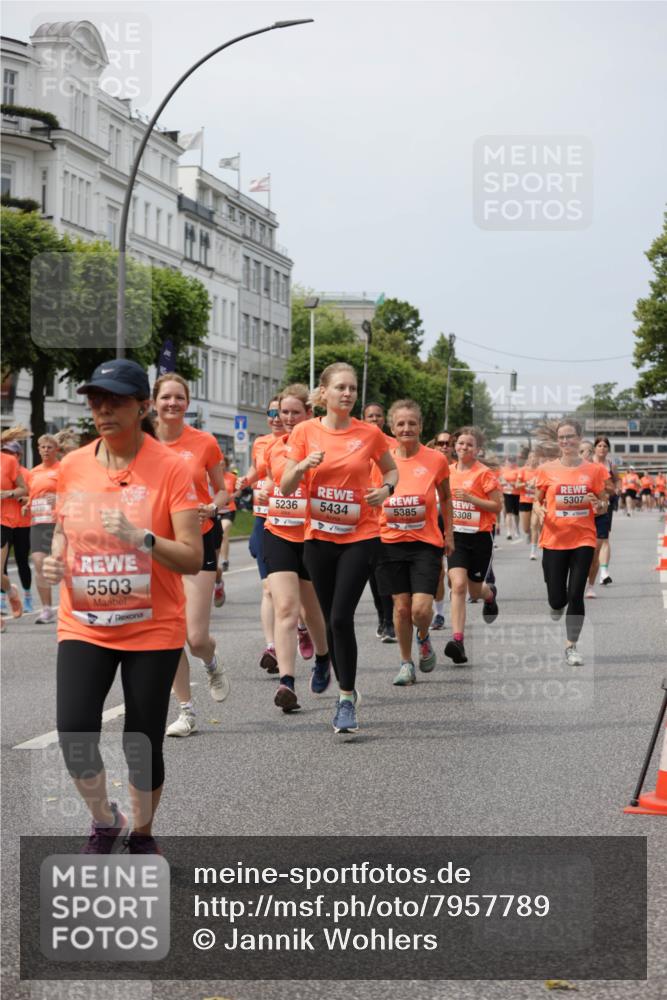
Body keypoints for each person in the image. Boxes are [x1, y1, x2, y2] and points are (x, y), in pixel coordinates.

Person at [42, 359, 202, 853]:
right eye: (96, 401)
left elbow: (192, 557)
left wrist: (142, 538)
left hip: (152, 627)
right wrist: (56, 559)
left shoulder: (171, 468)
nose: (103, 410)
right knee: (74, 733)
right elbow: (63, 528)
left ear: (142, 406)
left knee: (142, 741)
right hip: (84, 623)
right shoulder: (73, 465)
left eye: (115, 401)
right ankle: (105, 819)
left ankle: (143, 835)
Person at [281, 363, 398, 734]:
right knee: (331, 617)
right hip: (318, 539)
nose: (347, 394)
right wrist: (302, 465)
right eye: (340, 387)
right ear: (324, 392)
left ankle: (346, 698)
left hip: (360, 535)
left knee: (341, 617)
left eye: (352, 388)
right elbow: (285, 486)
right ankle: (333, 667)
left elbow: (391, 470)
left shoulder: (370, 433)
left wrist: (386, 490)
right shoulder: (304, 431)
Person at [152, 374, 231, 740]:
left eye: (179, 397)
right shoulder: (141, 442)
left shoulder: (204, 442)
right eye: (166, 397)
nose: (172, 403)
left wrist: (212, 507)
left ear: (187, 402)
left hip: (197, 539)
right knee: (169, 634)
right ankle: (186, 711)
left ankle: (211, 662)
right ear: (154, 402)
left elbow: (222, 491)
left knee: (195, 637)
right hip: (156, 544)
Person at [262, 384, 331, 711]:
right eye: (282, 412)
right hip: (278, 533)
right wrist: (265, 492)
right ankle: (287, 682)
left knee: (311, 609)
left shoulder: (322, 447)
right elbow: (271, 481)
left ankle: (323, 656)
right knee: (286, 607)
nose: (287, 418)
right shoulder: (273, 448)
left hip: (312, 536)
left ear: (309, 414)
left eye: (294, 412)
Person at [376, 400, 454, 685]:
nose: (406, 428)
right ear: (392, 428)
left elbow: (446, 497)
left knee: (420, 609)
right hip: (389, 542)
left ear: (420, 426)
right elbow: (370, 496)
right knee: (401, 608)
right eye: (400, 423)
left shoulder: (436, 459)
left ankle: (423, 635)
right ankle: (406, 662)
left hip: (425, 543)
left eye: (412, 423)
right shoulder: (380, 461)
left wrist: (449, 533)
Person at [533, 419, 611, 665]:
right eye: (562, 437)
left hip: (583, 538)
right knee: (557, 599)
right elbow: (537, 499)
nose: (566, 441)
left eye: (570, 436)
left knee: (576, 593)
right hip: (554, 538)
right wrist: (538, 509)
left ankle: (571, 646)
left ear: (579, 438)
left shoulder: (594, 470)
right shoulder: (546, 470)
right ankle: (556, 604)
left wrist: (600, 504)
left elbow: (603, 503)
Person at [444, 427, 502, 665]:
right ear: (455, 446)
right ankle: (458, 640)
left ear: (477, 449)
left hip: (480, 537)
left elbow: (497, 506)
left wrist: (471, 499)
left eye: (469, 444)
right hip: (456, 537)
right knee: (458, 585)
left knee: (475, 591)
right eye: (460, 443)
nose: (464, 447)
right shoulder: (447, 472)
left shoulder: (484, 474)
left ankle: (489, 595)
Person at [238, 400, 285, 673]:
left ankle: (302, 628)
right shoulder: (261, 443)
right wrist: (244, 481)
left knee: (292, 594)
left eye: (281, 413)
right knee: (268, 588)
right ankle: (271, 646)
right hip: (262, 519)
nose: (276, 418)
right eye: (272, 413)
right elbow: (257, 470)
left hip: (290, 522)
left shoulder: (299, 442)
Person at [363, 402, 397, 642]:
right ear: (363, 419)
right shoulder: (356, 443)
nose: (374, 419)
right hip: (365, 515)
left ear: (384, 419)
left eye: (378, 416)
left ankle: (391, 620)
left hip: (391, 513)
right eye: (370, 416)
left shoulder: (393, 444)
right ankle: (382, 616)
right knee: (373, 572)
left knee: (387, 569)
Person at [24, 434, 60, 623]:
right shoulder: (34, 472)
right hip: (38, 522)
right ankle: (47, 609)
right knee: (38, 562)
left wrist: (60, 498)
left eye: (49, 447)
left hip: (59, 522)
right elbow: (33, 495)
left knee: (64, 564)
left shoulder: (63, 469)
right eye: (43, 447)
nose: (46, 450)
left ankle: (74, 605)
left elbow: (77, 493)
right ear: (38, 449)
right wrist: (26, 505)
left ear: (56, 450)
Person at [0, 426, 29, 626]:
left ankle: (10, 593)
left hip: (3, 520)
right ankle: (11, 592)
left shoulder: (9, 461)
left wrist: (8, 494)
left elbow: (23, 489)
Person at [586, 435, 620, 593]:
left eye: (605, 446)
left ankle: (604, 572)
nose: (602, 448)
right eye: (599, 446)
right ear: (594, 448)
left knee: (604, 538)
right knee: (589, 540)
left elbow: (617, 480)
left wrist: (616, 488)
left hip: (606, 504)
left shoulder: (611, 464)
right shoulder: (587, 462)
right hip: (588, 504)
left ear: (608, 449)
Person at [428, 431, 454, 628]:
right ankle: (439, 614)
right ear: (434, 445)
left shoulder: (459, 468)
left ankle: (458, 591)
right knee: (438, 573)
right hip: (432, 525)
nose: (444, 447)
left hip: (456, 526)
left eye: (448, 443)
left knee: (456, 578)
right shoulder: (426, 467)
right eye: (441, 443)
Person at [516, 450, 541, 560]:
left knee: (534, 524)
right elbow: (517, 485)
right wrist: (526, 484)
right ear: (528, 459)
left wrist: (536, 484)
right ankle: (529, 534)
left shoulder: (540, 471)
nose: (533, 459)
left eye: (535, 457)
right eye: (531, 457)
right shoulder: (523, 470)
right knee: (526, 528)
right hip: (525, 500)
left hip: (536, 501)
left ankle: (533, 552)